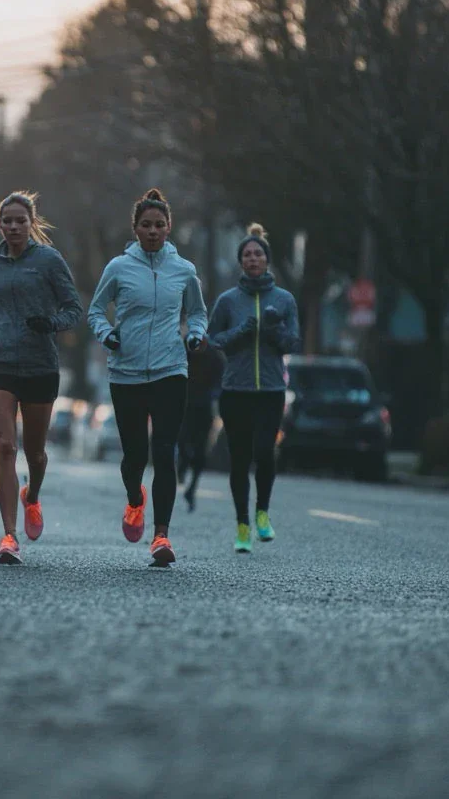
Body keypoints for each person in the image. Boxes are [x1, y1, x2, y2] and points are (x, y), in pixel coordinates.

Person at [87, 188, 208, 567]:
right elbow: (94, 311)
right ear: (135, 228)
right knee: (135, 455)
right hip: (126, 373)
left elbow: (198, 313)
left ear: (169, 228)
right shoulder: (118, 268)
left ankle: (161, 536)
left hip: (171, 370)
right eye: (146, 225)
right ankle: (135, 499)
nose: (153, 231)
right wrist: (108, 335)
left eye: (159, 225)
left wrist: (195, 334)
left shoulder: (184, 270)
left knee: (165, 452)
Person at [0, 191, 83, 565]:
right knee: (5, 446)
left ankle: (31, 496)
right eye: (8, 221)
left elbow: (73, 308)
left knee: (35, 453)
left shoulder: (49, 261)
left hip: (39, 365)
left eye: (21, 220)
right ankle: (8, 536)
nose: (14, 227)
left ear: (31, 223)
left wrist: (51, 323)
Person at [207, 223, 301, 553]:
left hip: (272, 390)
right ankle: (242, 524)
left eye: (258, 253)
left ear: (267, 259)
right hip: (236, 390)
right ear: (240, 262)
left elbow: (292, 343)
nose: (252, 259)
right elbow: (213, 339)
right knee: (240, 459)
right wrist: (244, 331)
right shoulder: (228, 301)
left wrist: (272, 330)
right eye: (247, 255)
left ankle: (262, 513)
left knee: (264, 453)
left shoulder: (285, 300)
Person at [178, 344, 225, 512]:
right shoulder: (185, 348)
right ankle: (183, 464)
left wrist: (215, 395)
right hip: (186, 403)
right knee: (182, 440)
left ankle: (192, 487)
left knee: (200, 450)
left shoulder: (214, 355)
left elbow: (221, 380)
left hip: (203, 406)